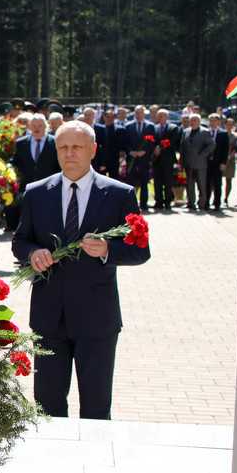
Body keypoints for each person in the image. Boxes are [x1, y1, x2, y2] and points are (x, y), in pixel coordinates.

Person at [12, 121, 150, 420]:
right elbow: (20, 241)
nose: (69, 153)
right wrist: (33, 253)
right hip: (49, 317)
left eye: (76, 147)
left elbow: (141, 251)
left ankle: (97, 464)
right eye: (63, 147)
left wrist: (108, 251)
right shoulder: (37, 193)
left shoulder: (119, 194)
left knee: (97, 408)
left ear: (93, 150)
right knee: (47, 407)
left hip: (97, 318)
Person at [7, 114, 60, 231]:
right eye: (34, 125)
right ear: (29, 127)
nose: (37, 128)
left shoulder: (55, 142)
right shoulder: (21, 143)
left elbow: (59, 165)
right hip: (26, 186)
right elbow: (15, 161)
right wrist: (8, 168)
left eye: (40, 125)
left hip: (49, 187)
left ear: (46, 126)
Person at [179, 113, 214, 211]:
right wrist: (181, 161)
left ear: (199, 121)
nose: (193, 122)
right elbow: (182, 147)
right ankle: (191, 203)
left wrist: (202, 155)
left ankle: (202, 204)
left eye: (195, 120)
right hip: (188, 164)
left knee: (201, 185)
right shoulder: (185, 131)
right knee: (189, 185)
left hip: (200, 164)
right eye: (191, 120)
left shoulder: (205, 132)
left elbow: (211, 145)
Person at [124, 105, 155, 211]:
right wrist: (130, 152)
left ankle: (144, 204)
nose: (139, 115)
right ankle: (131, 205)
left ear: (144, 113)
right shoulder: (128, 126)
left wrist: (145, 151)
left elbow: (152, 142)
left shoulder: (150, 126)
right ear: (134, 114)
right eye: (137, 112)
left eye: (141, 112)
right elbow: (125, 142)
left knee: (144, 183)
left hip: (144, 160)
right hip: (132, 159)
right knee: (131, 183)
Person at [152, 109, 181, 210]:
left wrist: (159, 147)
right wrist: (154, 148)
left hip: (168, 159)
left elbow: (171, 141)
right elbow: (152, 140)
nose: (160, 117)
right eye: (159, 116)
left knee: (168, 182)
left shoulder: (173, 128)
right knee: (157, 182)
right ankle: (158, 202)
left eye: (162, 116)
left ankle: (168, 202)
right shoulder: (154, 128)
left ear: (167, 117)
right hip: (156, 160)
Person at [206, 113, 229, 210]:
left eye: (215, 120)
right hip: (207, 162)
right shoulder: (205, 132)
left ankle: (217, 203)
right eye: (211, 120)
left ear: (219, 122)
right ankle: (206, 202)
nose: (212, 122)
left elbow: (225, 149)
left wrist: (223, 163)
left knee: (217, 183)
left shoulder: (223, 134)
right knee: (206, 183)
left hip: (218, 162)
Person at [222, 117, 237, 207]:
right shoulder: (221, 134)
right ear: (225, 125)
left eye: (231, 124)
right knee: (216, 180)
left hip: (231, 161)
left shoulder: (236, 136)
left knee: (229, 180)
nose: (229, 126)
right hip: (222, 160)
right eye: (228, 124)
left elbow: (236, 148)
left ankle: (226, 198)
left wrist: (230, 156)